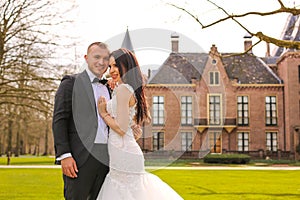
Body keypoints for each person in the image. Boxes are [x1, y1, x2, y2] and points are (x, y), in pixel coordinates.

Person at [52, 42, 142, 199]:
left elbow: (121, 119)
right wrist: (64, 155)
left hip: (109, 158)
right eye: (96, 57)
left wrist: (132, 127)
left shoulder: (111, 88)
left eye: (105, 58)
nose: (101, 62)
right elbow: (59, 120)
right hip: (80, 159)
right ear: (86, 58)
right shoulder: (70, 83)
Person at [96, 48, 183, 200]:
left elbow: (121, 129)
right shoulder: (125, 88)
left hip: (123, 153)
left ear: (127, 66)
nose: (112, 70)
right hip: (123, 150)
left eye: (116, 66)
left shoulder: (124, 89)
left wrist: (103, 113)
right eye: (110, 67)